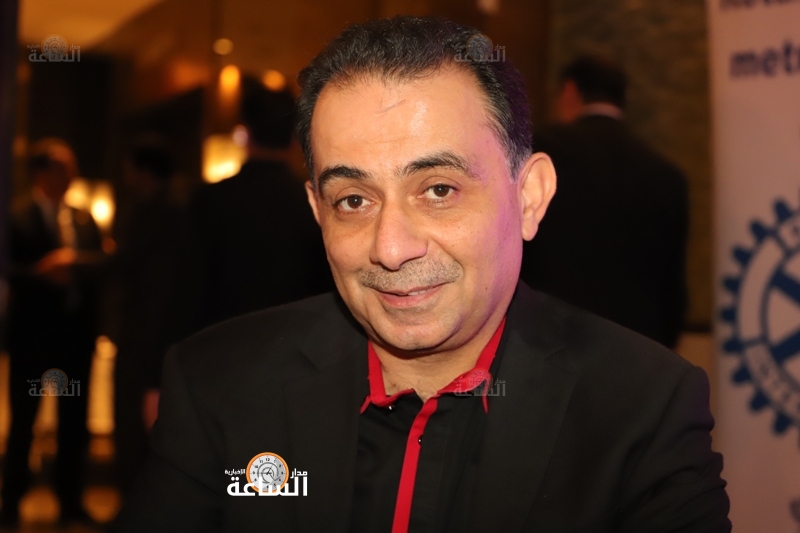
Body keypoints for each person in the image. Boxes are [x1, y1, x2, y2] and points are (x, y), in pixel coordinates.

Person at [113, 17, 729, 532]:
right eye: (354, 200)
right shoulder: (220, 385)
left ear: (529, 197)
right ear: (317, 213)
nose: (391, 248)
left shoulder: (641, 409)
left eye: (438, 190)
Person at [520, 54, 689, 348]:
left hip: (550, 340)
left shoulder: (540, 152)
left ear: (570, 91)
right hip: (640, 347)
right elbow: (673, 291)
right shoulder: (667, 175)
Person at [175, 77, 332, 336]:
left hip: (222, 339)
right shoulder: (313, 202)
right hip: (295, 339)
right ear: (296, 138)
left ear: (244, 133)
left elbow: (189, 288)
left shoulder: (212, 200)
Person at [1, 138, 105, 526]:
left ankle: (70, 501)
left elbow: (102, 263)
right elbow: (8, 270)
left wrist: (75, 264)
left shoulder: (84, 218)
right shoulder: (17, 217)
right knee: (24, 423)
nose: (71, 176)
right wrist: (41, 273)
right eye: (62, 168)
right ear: (41, 174)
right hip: (32, 340)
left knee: (73, 422)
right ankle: (11, 502)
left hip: (74, 339)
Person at [111, 141, 185, 496]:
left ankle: (134, 504)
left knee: (130, 423)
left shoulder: (145, 213)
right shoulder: (184, 210)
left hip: (141, 332)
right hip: (173, 331)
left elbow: (126, 264)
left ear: (143, 172)